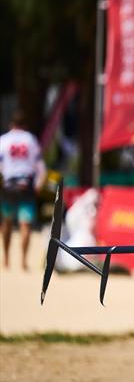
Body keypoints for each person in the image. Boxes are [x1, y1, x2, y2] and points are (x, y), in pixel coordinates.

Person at [1, 112, 46, 270]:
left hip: (9, 184)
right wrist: (38, 186)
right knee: (25, 224)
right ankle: (23, 261)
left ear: (11, 125)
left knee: (6, 222)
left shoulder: (4, 140)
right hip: (26, 184)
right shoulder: (31, 139)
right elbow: (40, 167)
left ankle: (6, 259)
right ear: (24, 125)